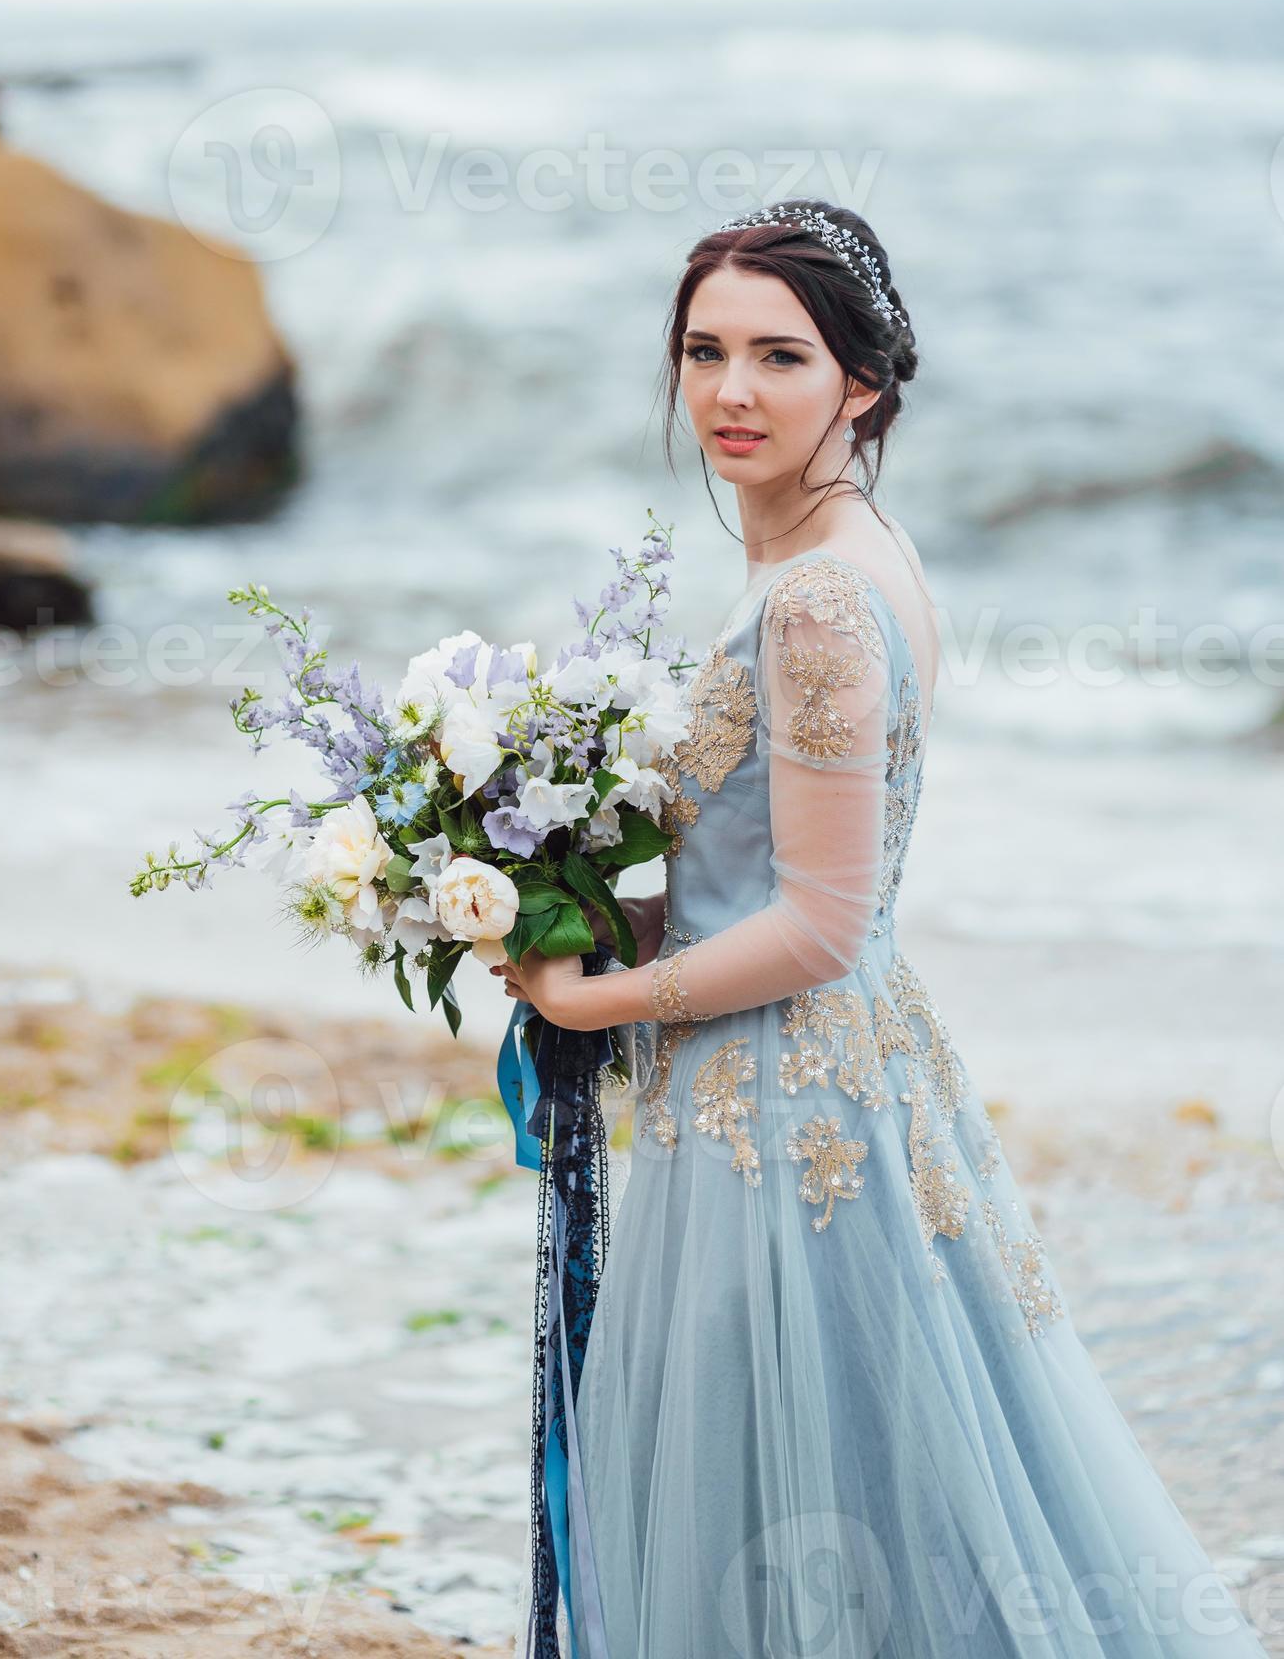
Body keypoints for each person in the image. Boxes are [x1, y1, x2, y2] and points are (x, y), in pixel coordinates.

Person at [494, 202, 1268, 1657]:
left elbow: (824, 923)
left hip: (779, 1099)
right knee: (865, 1481)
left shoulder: (820, 603)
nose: (730, 391)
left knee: (811, 1494)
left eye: (779, 357)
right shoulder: (838, 552)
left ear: (863, 382)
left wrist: (594, 1001)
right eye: (703, 350)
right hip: (814, 1066)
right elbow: (773, 868)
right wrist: (583, 902)